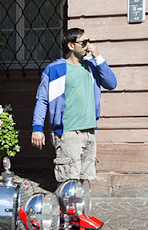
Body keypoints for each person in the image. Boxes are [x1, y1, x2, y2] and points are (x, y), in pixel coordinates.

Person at [31, 28, 117, 183]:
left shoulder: (91, 66)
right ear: (71, 46)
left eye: (88, 42)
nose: (88, 46)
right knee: (68, 184)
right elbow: (42, 100)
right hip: (68, 134)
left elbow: (111, 83)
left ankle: (80, 209)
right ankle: (64, 208)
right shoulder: (56, 69)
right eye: (83, 42)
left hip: (89, 132)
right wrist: (37, 128)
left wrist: (98, 57)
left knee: (84, 182)